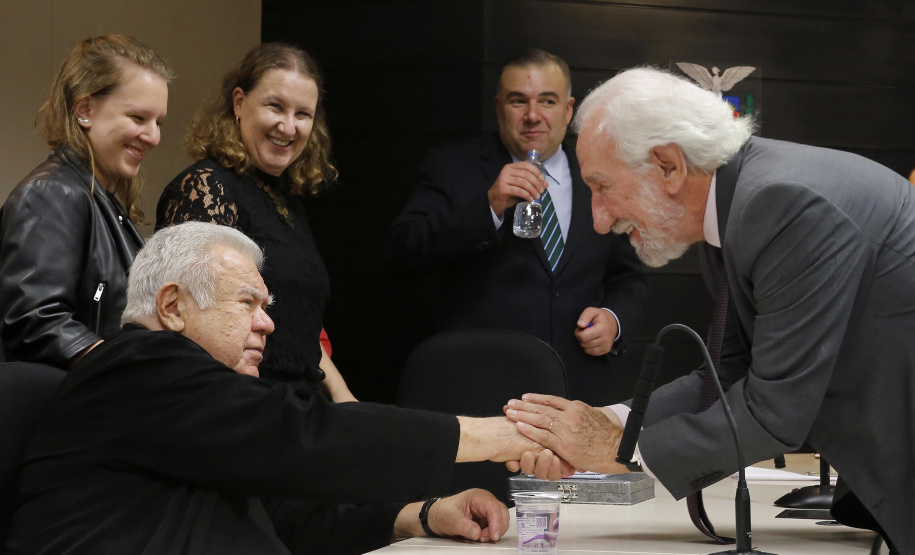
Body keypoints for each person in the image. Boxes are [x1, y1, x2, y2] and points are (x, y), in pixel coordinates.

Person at [504, 67, 912, 553]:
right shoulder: (738, 201)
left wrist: (613, 450)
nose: (599, 217)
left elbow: (775, 411)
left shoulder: (782, 203)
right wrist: (607, 422)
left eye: (602, 186)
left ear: (669, 166)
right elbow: (729, 372)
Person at [4, 222, 567, 554]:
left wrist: (423, 515)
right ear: (172, 306)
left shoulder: (188, 401)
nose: (267, 323)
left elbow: (288, 517)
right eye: (247, 302)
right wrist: (507, 434)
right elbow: (308, 436)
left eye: (266, 307)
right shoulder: (138, 365)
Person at [386, 49, 648, 406]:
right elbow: (403, 252)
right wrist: (488, 206)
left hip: (578, 391)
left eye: (548, 101)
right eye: (517, 101)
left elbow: (629, 277)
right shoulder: (452, 166)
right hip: (481, 389)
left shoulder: (602, 172)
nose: (533, 116)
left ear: (568, 110)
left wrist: (614, 321)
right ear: (499, 107)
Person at [156, 43, 354, 402]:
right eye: (275, 106)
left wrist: (347, 404)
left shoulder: (287, 202)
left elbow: (300, 329)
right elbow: (195, 328)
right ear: (239, 103)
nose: (288, 126)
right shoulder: (206, 187)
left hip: (302, 403)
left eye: (303, 114)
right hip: (242, 404)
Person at [0, 34, 171, 367]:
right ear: (85, 110)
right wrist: (127, 371)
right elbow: (34, 321)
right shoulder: (51, 194)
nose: (153, 136)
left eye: (158, 122)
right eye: (138, 118)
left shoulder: (99, 197)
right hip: (73, 410)